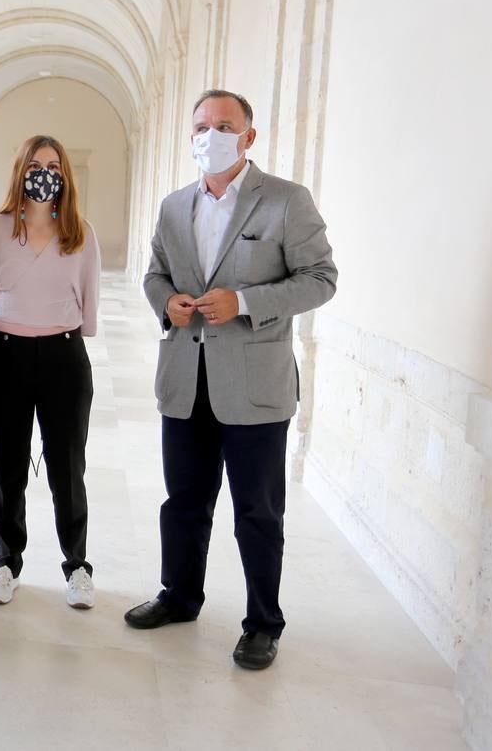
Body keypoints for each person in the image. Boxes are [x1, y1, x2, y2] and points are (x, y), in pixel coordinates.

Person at [123, 89, 337, 670]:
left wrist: (243, 301)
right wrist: (167, 302)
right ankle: (179, 595)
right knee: (184, 501)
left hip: (254, 387)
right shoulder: (172, 207)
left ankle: (263, 622)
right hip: (185, 382)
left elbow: (320, 279)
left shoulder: (287, 203)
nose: (209, 135)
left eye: (223, 125)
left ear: (249, 135)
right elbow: (154, 275)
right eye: (200, 125)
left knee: (258, 513)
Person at [0, 135, 101, 610]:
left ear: (65, 174)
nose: (44, 172)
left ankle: (77, 567)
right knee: (8, 466)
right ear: (20, 171)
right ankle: (7, 561)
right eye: (35, 163)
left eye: (53, 164)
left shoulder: (80, 232)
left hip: (63, 357)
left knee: (68, 467)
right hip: (4, 354)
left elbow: (88, 304)